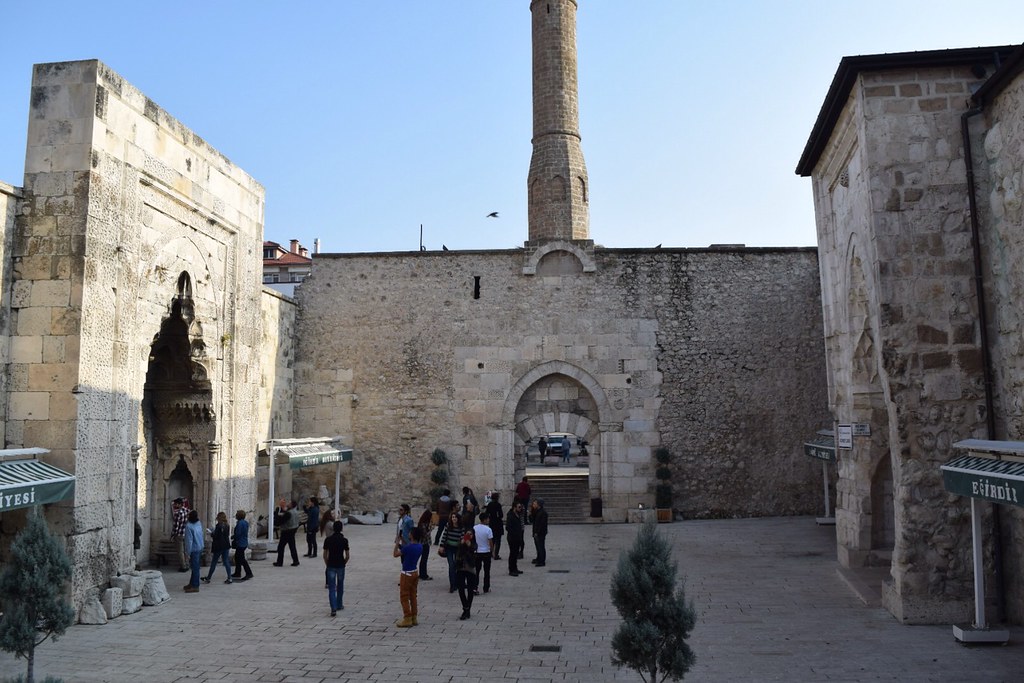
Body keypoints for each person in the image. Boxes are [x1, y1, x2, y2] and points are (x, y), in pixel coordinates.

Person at [393, 527, 424, 627]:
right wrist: (403, 540)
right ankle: (414, 617)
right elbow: (408, 548)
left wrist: (397, 543)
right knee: (413, 596)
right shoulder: (420, 546)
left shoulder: (408, 548)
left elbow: (395, 554)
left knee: (404, 597)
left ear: (412, 535)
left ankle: (407, 618)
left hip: (406, 574)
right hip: (415, 572)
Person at [323, 520, 350, 617]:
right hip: (340, 565)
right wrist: (344, 563)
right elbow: (347, 555)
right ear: (341, 528)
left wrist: (327, 563)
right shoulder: (344, 540)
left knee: (331, 588)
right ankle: (339, 604)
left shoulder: (328, 540)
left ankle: (333, 607)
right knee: (340, 585)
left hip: (331, 564)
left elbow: (325, 554)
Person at [202, 511, 233, 584]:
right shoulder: (227, 525)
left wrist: (211, 533)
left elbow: (216, 536)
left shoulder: (219, 526)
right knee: (226, 561)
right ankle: (229, 578)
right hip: (226, 545)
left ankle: (208, 578)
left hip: (218, 546)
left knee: (214, 562)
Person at [455, 529, 478, 620]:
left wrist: (469, 546)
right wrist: (462, 543)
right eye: (467, 534)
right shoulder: (461, 543)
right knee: (460, 588)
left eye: (471, 534)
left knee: (470, 589)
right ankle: (465, 607)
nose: (469, 536)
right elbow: (457, 552)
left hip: (470, 568)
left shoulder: (474, 544)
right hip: (460, 568)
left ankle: (468, 609)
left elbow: (474, 551)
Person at [440, 510, 463, 593]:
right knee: (451, 565)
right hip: (449, 548)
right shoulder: (448, 526)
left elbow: (462, 536)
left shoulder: (461, 527)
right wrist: (441, 546)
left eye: (455, 517)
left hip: (458, 548)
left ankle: (457, 582)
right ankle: (452, 585)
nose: (454, 519)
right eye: (453, 517)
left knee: (457, 565)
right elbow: (444, 536)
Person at [273, 499, 301, 567]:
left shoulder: (289, 513)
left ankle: (279, 562)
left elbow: (280, 522)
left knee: (281, 547)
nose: (287, 505)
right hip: (293, 530)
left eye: (289, 504)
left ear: (292, 505)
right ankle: (296, 561)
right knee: (292, 546)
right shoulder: (296, 512)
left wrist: (276, 514)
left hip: (286, 531)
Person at [473, 511, 494, 594]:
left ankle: (475, 587)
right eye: (488, 519)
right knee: (487, 571)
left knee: (476, 571)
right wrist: (492, 550)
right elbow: (490, 542)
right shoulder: (488, 529)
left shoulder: (474, 528)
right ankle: (486, 587)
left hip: (477, 551)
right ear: (485, 520)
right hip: (486, 552)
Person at [183, 509, 203, 593]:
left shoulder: (188, 526)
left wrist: (187, 552)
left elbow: (189, 540)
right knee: (195, 567)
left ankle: (195, 585)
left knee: (195, 568)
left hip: (194, 548)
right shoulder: (198, 523)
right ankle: (192, 583)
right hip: (200, 546)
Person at [231, 509, 253, 582]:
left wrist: (233, 537)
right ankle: (237, 572)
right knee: (237, 557)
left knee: (241, 559)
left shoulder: (240, 523)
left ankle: (249, 573)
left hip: (240, 543)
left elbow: (238, 533)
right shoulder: (245, 523)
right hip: (244, 542)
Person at [506, 500, 525, 576]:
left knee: (516, 553)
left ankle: (515, 568)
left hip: (518, 537)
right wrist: (514, 534)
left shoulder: (518, 514)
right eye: (519, 507)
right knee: (512, 554)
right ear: (514, 507)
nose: (520, 508)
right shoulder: (510, 515)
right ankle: (511, 569)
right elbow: (508, 527)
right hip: (512, 538)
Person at [171, 497, 188, 572]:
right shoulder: (187, 511)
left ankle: (183, 566)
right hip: (186, 534)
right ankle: (187, 564)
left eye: (176, 504)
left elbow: (176, 525)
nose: (175, 505)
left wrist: (172, 535)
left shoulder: (178, 513)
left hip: (179, 534)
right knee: (185, 551)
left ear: (179, 504)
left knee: (180, 551)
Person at [485, 492, 504, 560]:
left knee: (492, 539)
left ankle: (490, 553)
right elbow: (501, 515)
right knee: (498, 540)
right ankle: (496, 554)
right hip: (498, 523)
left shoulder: (490, 504)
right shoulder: (498, 505)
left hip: (492, 523)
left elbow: (487, 513)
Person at [416, 509, 434, 580]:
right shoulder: (423, 524)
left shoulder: (423, 523)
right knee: (424, 560)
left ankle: (422, 573)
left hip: (425, 543)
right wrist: (431, 529)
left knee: (423, 559)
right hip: (424, 544)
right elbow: (425, 534)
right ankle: (423, 575)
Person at [531, 499, 548, 567]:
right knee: (538, 546)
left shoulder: (543, 513)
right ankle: (538, 558)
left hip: (540, 533)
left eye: (535, 504)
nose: (533, 505)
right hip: (536, 531)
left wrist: (537, 532)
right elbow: (532, 520)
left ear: (538, 505)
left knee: (541, 546)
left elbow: (542, 524)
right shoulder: (536, 511)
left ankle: (542, 561)